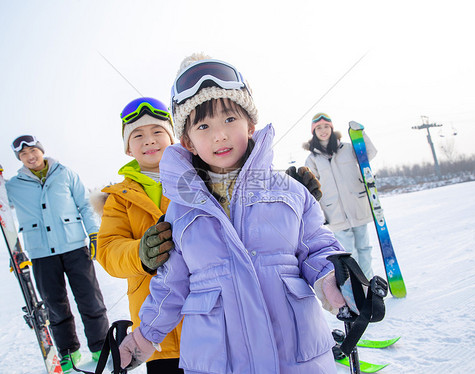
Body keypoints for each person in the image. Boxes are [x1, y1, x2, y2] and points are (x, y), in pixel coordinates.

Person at [118, 54, 348, 374]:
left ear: (250, 125)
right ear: (189, 143)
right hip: (220, 364)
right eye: (203, 126)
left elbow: (318, 248)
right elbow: (170, 288)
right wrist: (143, 337)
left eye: (229, 119)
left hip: (298, 361)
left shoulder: (289, 192)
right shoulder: (181, 214)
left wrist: (337, 283)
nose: (219, 135)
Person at [0, 135, 110, 372]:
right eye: (23, 155)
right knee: (54, 306)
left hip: (75, 247)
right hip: (41, 255)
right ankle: (69, 354)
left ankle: (101, 348)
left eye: (33, 151)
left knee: (91, 300)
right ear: (19, 159)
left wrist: (94, 234)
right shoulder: (14, 185)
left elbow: (84, 205)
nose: (30, 157)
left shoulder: (64, 174)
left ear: (41, 150)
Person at [92, 97, 183, 374]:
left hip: (210, 324)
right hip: (155, 337)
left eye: (157, 132)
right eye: (138, 135)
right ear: (128, 148)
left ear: (172, 138)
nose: (149, 141)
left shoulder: (198, 179)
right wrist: (140, 254)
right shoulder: (119, 198)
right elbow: (108, 250)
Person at [304, 113, 378, 278]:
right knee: (348, 253)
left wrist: (361, 134)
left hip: (357, 205)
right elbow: (311, 191)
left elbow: (369, 154)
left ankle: (368, 283)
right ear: (313, 132)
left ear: (331, 128)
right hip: (334, 212)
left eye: (326, 127)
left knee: (364, 248)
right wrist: (319, 214)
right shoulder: (312, 159)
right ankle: (359, 287)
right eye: (318, 128)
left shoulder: (347, 149)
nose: (323, 131)